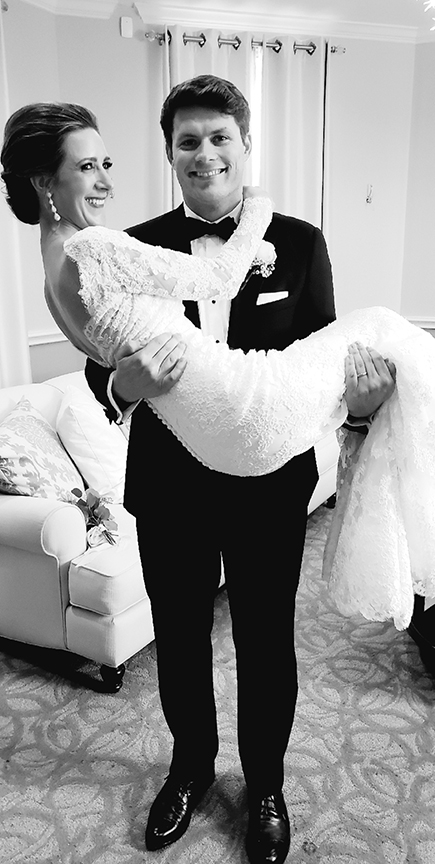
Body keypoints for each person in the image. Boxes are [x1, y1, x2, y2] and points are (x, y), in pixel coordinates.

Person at [2, 84, 432, 864]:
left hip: (270, 485)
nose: (204, 154)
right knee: (180, 641)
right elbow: (99, 368)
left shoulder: (300, 242)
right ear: (169, 153)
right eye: (187, 142)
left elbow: (326, 365)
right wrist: (124, 386)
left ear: (244, 143)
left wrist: (363, 399)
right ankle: (189, 770)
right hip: (170, 486)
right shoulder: (124, 241)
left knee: (267, 645)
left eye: (218, 137)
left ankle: (264, 787)